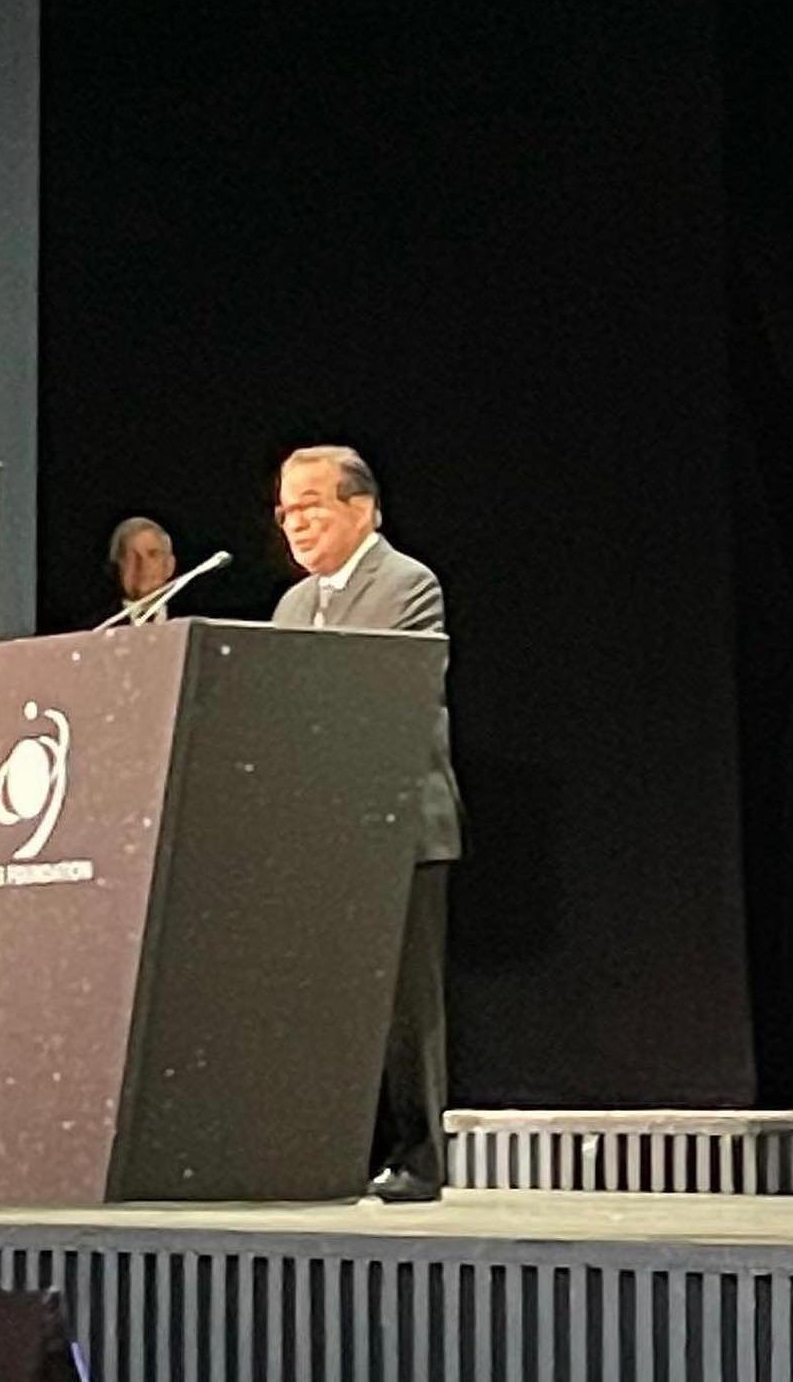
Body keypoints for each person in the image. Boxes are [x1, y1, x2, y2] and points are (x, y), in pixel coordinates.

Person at [272, 445, 464, 1203]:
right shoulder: (292, 605)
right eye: (285, 510)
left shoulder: (406, 583)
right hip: (323, 833)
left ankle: (417, 1156)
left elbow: (387, 691)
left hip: (400, 827)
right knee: (331, 1004)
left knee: (404, 1007)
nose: (295, 523)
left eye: (310, 505)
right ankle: (337, 1151)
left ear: (362, 507)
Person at [108, 516, 176, 620]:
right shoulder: (94, 627)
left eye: (153, 554)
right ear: (118, 566)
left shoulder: (196, 622)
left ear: (170, 566)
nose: (143, 565)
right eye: (132, 556)